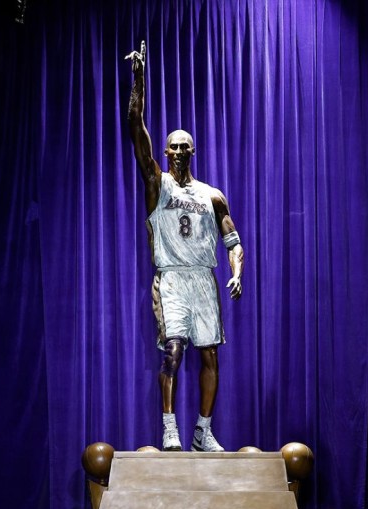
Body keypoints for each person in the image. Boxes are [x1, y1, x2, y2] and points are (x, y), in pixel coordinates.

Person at [124, 40, 245, 452]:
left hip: (204, 280)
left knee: (210, 356)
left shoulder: (213, 195)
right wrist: (138, 81)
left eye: (183, 146)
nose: (176, 151)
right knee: (173, 351)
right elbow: (135, 125)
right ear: (164, 151)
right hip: (173, 279)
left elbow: (234, 239)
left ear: (193, 150)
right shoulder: (157, 185)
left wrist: (236, 272)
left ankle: (202, 431)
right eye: (171, 146)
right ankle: (169, 427)